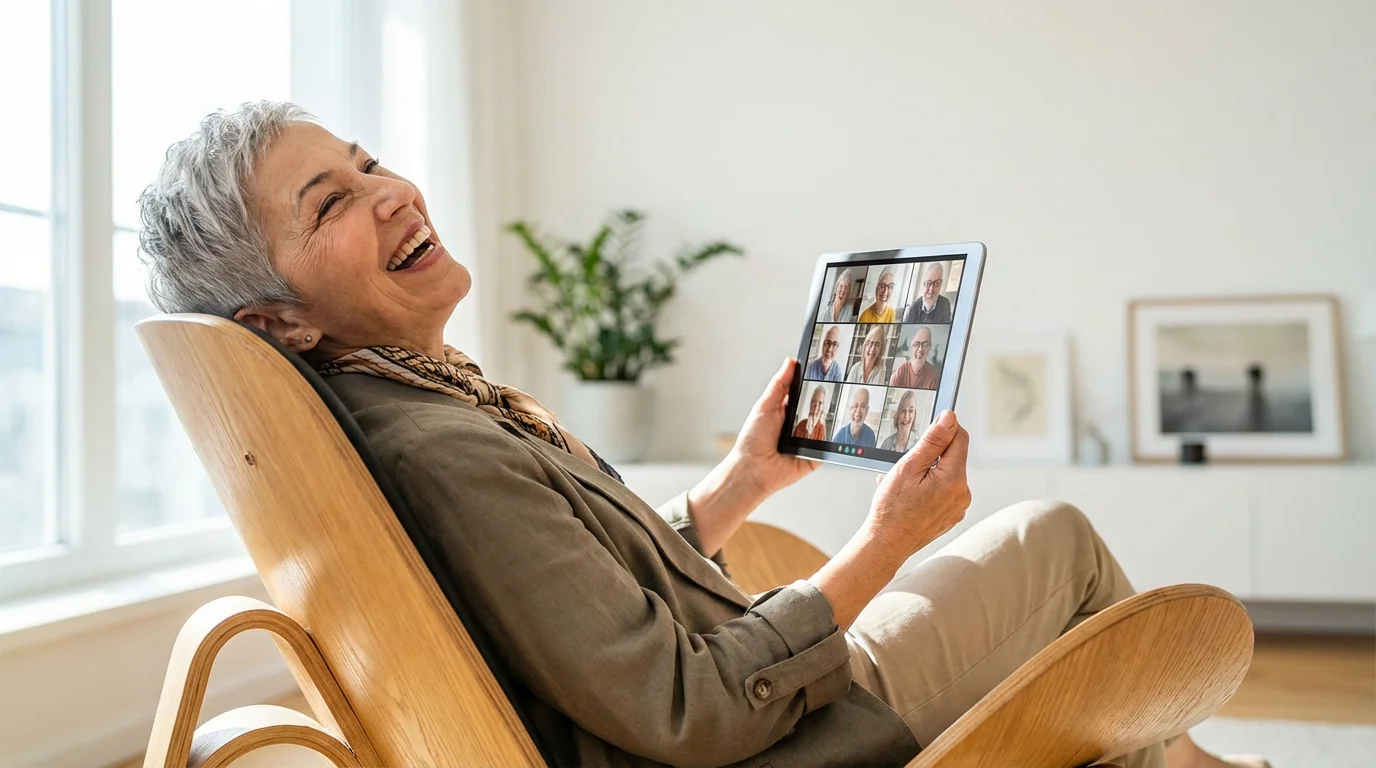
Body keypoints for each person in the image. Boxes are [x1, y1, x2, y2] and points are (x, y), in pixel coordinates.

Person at [134, 102, 1263, 768]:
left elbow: (585, 614)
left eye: (367, 165)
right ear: (275, 319)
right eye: (327, 204)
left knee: (1061, 610)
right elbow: (681, 707)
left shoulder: (415, 401)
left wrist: (738, 485)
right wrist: (885, 541)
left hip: (757, 694)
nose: (388, 193)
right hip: (782, 743)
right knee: (1055, 541)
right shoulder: (439, 447)